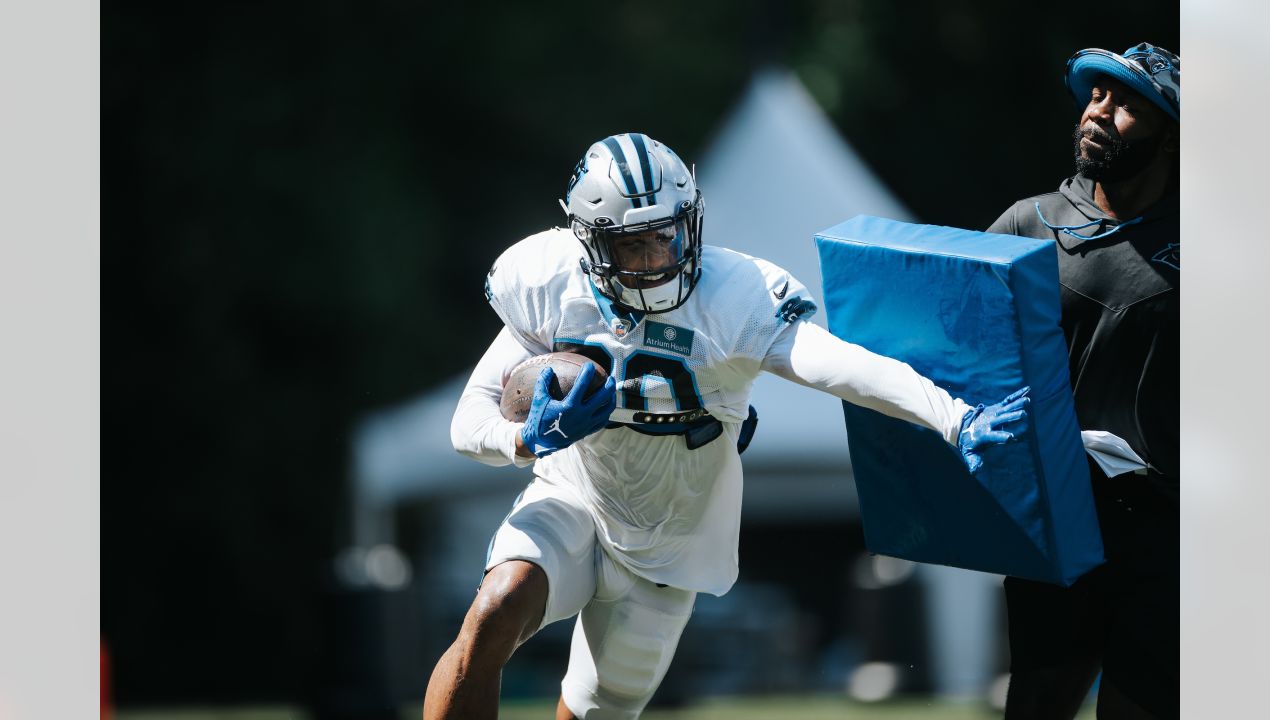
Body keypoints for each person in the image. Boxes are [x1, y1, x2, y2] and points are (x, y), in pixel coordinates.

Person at [423, 132, 1031, 720]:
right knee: (494, 612)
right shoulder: (548, 281)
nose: (656, 260)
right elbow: (467, 421)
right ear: (590, 244)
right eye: (633, 246)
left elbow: (836, 366)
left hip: (672, 540)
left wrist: (954, 418)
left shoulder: (734, 294)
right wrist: (526, 439)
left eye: (666, 236)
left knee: (596, 711)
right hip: (574, 494)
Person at [986, 44, 1179, 719]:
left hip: (1170, 534)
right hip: (1056, 517)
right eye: (1097, 94)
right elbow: (965, 357)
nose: (1101, 111)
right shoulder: (1024, 223)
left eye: (1129, 104)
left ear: (1172, 136)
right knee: (1037, 705)